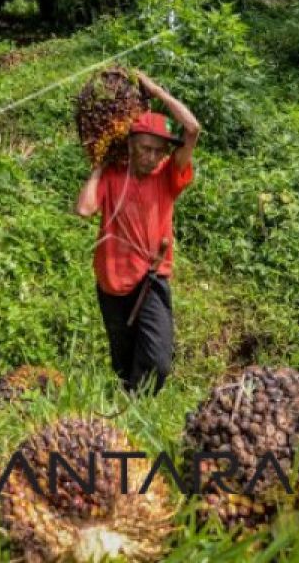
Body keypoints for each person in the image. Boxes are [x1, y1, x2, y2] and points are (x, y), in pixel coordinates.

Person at [75, 70, 201, 395]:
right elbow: (84, 209)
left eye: (159, 150)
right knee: (122, 360)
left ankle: (137, 401)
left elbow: (192, 129)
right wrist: (100, 164)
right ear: (130, 145)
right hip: (111, 281)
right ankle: (129, 414)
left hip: (150, 278)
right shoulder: (114, 175)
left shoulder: (167, 177)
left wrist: (157, 91)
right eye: (145, 148)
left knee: (158, 361)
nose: (152, 156)